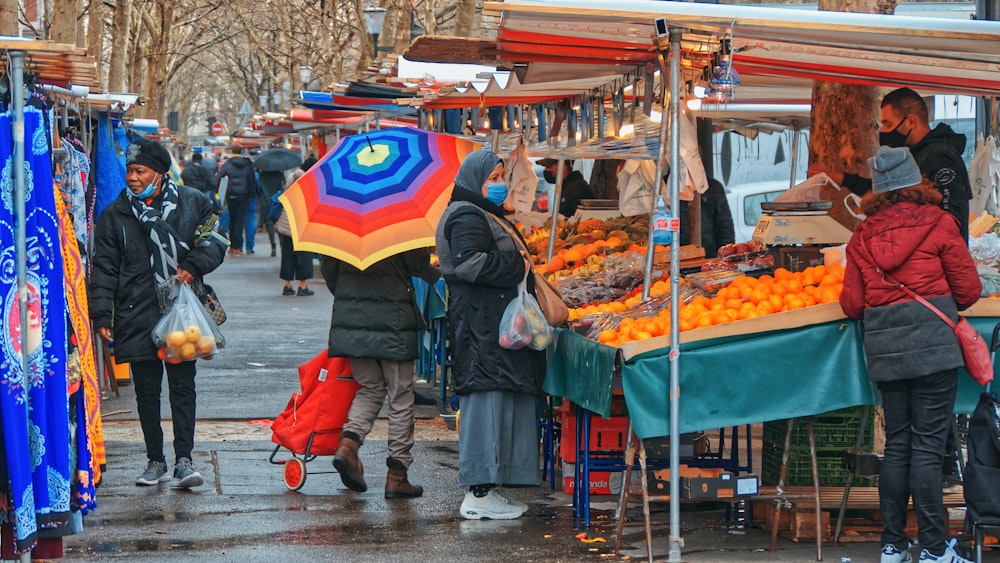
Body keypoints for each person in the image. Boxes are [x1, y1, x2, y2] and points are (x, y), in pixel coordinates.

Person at [839, 146, 980, 563]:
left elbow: (852, 305)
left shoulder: (862, 237)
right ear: (916, 181)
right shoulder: (940, 223)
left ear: (878, 191)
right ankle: (935, 550)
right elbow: (969, 290)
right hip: (934, 347)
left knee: (898, 444)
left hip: (887, 351)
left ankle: (892, 546)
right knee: (929, 446)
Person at [90, 138, 227, 489]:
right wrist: (103, 315)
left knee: (182, 387)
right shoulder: (115, 214)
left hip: (181, 313)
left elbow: (215, 239)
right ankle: (155, 460)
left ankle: (184, 459)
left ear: (160, 173)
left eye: (141, 171)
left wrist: (194, 266)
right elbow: (103, 268)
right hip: (136, 313)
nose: (133, 178)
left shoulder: (192, 203)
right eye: (130, 171)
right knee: (146, 391)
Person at [435, 150, 546, 520]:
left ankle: (490, 488)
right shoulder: (467, 214)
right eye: (493, 178)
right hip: (481, 328)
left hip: (490, 325)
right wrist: (518, 263)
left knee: (498, 400)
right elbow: (470, 263)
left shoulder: (480, 211)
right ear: (474, 181)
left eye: (501, 177)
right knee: (485, 403)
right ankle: (478, 493)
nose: (500, 185)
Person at [322, 250, 440, 499]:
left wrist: (354, 300)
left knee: (371, 388)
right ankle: (397, 476)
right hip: (393, 319)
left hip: (352, 320)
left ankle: (349, 445)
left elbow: (329, 272)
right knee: (400, 394)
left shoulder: (342, 225)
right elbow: (415, 263)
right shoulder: (399, 223)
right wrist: (435, 272)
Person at [811, 87, 971, 240]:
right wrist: (842, 179)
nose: (884, 132)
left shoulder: (940, 157)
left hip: (936, 261)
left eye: (888, 124)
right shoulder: (912, 155)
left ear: (911, 122)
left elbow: (953, 217)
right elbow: (887, 193)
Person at [274, 166, 314, 296]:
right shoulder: (306, 194)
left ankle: (287, 285)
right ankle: (303, 286)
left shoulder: (286, 192)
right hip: (301, 229)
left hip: (285, 229)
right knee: (304, 257)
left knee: (287, 256)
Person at [215, 144, 257, 256]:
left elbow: (219, 176)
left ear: (232, 151)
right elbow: (251, 180)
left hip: (231, 194)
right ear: (241, 151)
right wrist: (251, 194)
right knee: (240, 220)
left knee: (232, 220)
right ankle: (238, 247)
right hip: (243, 195)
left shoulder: (228, 163)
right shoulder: (248, 163)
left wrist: (219, 192)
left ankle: (232, 246)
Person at [679, 177, 736, 258]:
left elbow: (725, 228)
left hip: (708, 258)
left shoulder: (712, 187)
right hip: (673, 258)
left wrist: (725, 258)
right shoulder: (666, 185)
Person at [257, 169, 285, 257]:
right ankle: (281, 245)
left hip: (265, 202)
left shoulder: (262, 175)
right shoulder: (279, 174)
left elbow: (258, 189)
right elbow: (283, 187)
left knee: (269, 225)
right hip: (278, 202)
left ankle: (273, 246)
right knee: (280, 224)